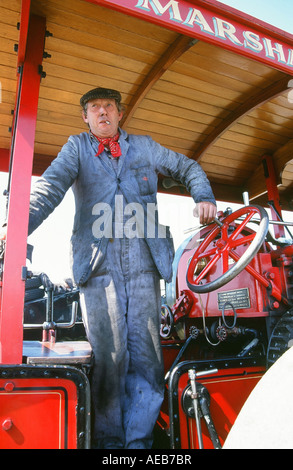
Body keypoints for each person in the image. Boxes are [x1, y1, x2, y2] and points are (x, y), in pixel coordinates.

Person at [28, 87, 217, 449]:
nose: (102, 113)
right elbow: (49, 188)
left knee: (147, 357)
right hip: (99, 267)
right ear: (85, 117)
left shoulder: (144, 146)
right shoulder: (77, 148)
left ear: (119, 114)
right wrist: (15, 227)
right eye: (95, 108)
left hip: (146, 263)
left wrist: (204, 197)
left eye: (109, 107)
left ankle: (138, 444)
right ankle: (109, 443)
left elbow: (188, 167)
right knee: (110, 358)